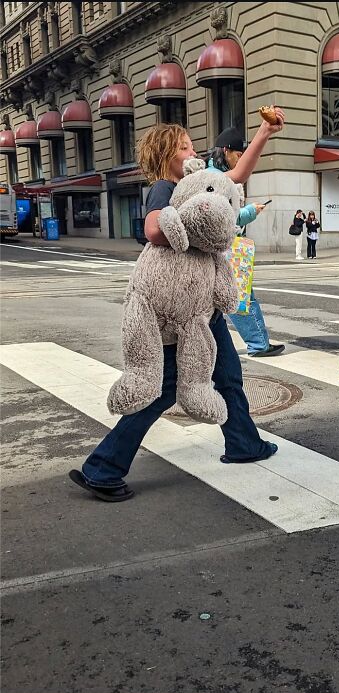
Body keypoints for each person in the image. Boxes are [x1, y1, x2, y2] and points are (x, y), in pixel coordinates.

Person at [69, 119, 283, 502]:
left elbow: (235, 176)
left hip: (203, 308)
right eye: (184, 147)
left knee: (228, 376)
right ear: (166, 156)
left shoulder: (194, 183)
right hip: (180, 313)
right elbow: (153, 229)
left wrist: (264, 135)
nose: (193, 152)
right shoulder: (165, 189)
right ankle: (103, 468)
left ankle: (243, 444)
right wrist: (188, 223)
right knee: (166, 388)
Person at [204, 127, 285, 358]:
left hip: (216, 250)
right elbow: (226, 217)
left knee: (223, 302)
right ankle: (258, 344)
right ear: (227, 151)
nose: (240, 161)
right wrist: (250, 211)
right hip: (224, 249)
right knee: (241, 296)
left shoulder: (212, 175)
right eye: (238, 156)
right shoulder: (216, 179)